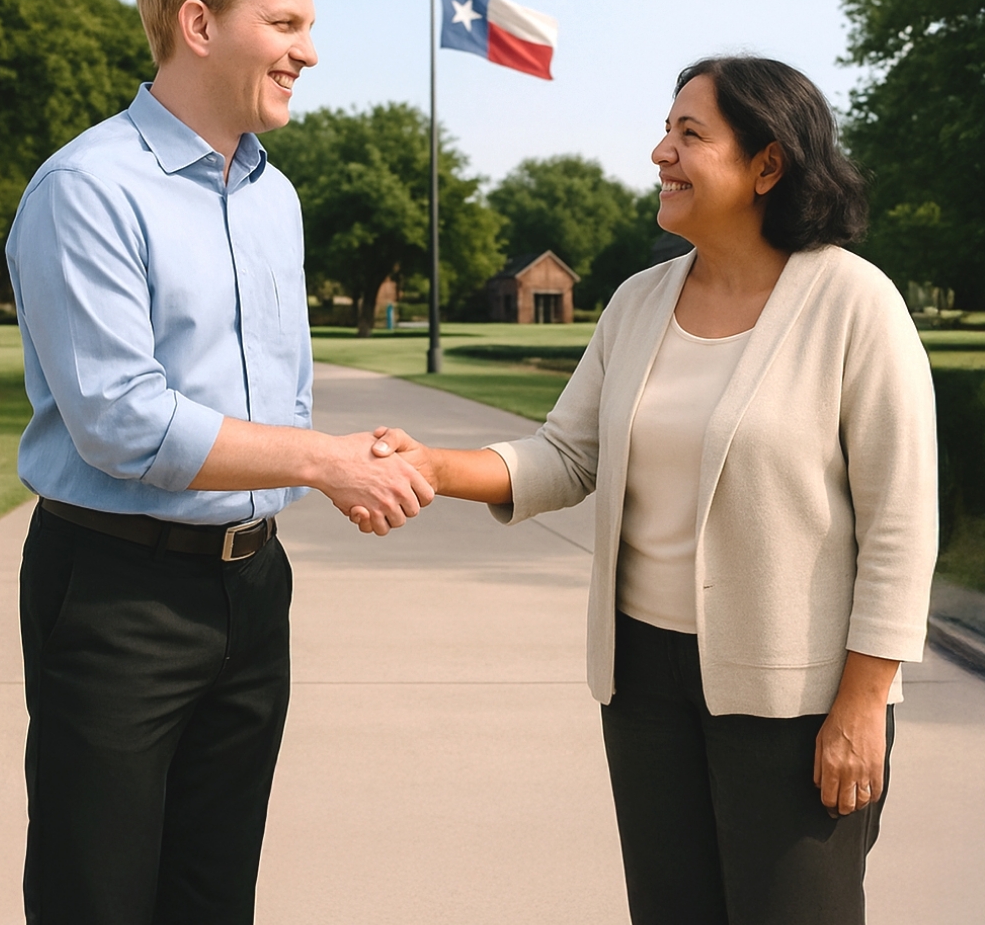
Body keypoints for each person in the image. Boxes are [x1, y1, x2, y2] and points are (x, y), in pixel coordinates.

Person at [379, 56, 936, 925]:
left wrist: (863, 703)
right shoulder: (638, 302)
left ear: (766, 165)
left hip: (795, 698)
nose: (660, 153)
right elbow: (568, 454)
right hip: (643, 684)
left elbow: (902, 522)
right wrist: (431, 465)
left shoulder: (854, 303)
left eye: (689, 134)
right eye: (666, 130)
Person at [6, 0, 434, 925]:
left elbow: (262, 401)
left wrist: (337, 464)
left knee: (212, 897)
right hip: (116, 594)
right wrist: (325, 461)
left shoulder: (271, 196)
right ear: (197, 25)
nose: (308, 50)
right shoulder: (87, 189)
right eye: (283, 22)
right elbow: (122, 420)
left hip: (251, 587)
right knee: (98, 897)